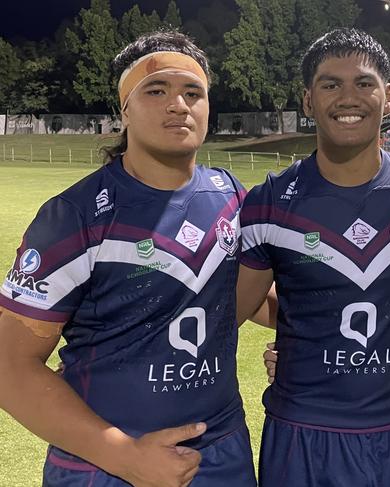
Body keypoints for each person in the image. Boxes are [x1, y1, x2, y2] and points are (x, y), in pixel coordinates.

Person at [0, 31, 256, 487]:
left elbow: (245, 299)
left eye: (192, 93)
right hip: (107, 467)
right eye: (156, 91)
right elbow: (9, 365)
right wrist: (125, 456)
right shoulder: (74, 216)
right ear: (124, 109)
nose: (178, 105)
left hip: (222, 454)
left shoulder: (231, 197)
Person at [237, 28, 390, 486]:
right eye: (330, 84)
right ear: (307, 101)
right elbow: (235, 308)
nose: (348, 98)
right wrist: (308, 340)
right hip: (302, 431)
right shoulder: (272, 200)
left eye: (364, 83)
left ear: (387, 98)